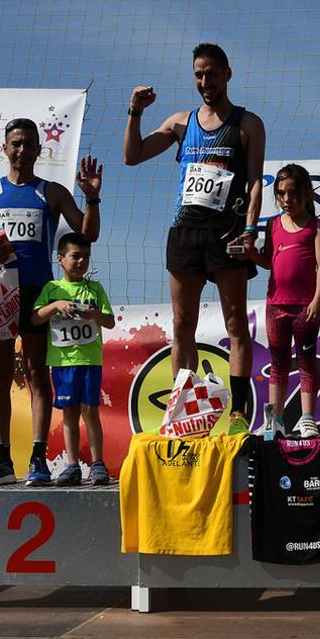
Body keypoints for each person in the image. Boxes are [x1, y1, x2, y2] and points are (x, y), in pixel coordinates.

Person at [124, 42, 266, 431]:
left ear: (227, 75)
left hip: (228, 235)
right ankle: (182, 410)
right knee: (182, 324)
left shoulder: (247, 123)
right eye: (199, 75)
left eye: (212, 74)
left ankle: (237, 413)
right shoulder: (180, 123)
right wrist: (135, 111)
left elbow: (255, 183)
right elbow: (132, 155)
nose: (205, 82)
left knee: (236, 325)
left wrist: (251, 231)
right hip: (184, 233)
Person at [0, 119, 102, 487]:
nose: (22, 150)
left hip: (39, 293)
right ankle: (3, 459)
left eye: (29, 144)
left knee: (39, 373)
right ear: (5, 148)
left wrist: (91, 197)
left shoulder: (52, 192)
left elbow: (88, 233)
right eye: (16, 143)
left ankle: (38, 460)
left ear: (40, 150)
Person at [248, 164, 320, 438]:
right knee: (278, 363)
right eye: (281, 193)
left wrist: (317, 301)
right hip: (275, 306)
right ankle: (276, 420)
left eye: (292, 193)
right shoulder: (272, 225)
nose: (286, 199)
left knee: (306, 361)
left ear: (307, 193)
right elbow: (269, 262)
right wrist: (249, 254)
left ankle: (308, 419)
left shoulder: (316, 227)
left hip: (305, 307)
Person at [31, 233, 116, 486]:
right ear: (60, 259)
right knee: (69, 413)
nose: (81, 261)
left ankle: (98, 464)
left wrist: (94, 314)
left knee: (90, 411)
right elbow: (36, 318)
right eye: (75, 256)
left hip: (90, 360)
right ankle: (71, 465)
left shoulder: (95, 289)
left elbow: (109, 321)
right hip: (63, 362)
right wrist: (56, 305)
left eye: (86, 257)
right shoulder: (52, 289)